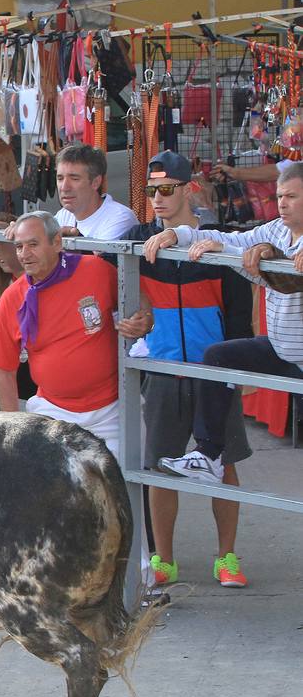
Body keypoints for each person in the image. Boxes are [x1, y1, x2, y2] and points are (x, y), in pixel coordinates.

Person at [142, 163, 303, 586]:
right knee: (217, 361)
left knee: (229, 457)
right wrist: (179, 236)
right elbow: (229, 238)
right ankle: (206, 460)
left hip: (295, 357)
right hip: (264, 353)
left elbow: (239, 305)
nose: (282, 203)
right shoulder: (274, 232)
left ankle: (226, 552)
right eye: (281, 196)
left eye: (292, 197)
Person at [120, 151, 254, 589]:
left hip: (213, 372)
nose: (157, 199)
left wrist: (237, 373)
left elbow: (238, 317)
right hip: (162, 370)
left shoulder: (216, 240)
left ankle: (227, 558)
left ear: (187, 189)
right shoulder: (139, 238)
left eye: (166, 190)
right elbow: (94, 255)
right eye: (151, 191)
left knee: (224, 464)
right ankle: (165, 561)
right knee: (160, 467)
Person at [0, 211, 152, 455]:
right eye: (19, 247)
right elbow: (3, 370)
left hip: (113, 410)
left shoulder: (95, 269)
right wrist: (14, 429)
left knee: (123, 490)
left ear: (56, 242)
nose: (24, 254)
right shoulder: (12, 297)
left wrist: (144, 319)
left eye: (33, 244)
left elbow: (140, 299)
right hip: (53, 413)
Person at [0, 144, 136, 243]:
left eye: (74, 178)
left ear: (96, 182)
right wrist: (7, 229)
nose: (64, 187)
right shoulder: (64, 214)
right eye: (60, 178)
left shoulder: (120, 217)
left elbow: (97, 267)